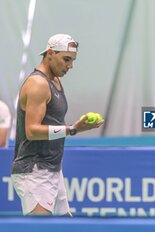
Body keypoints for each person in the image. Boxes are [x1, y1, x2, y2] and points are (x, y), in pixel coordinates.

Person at [10, 34, 102, 216]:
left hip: (52, 169)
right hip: (34, 171)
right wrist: (73, 129)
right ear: (50, 53)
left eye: (73, 60)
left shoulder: (55, 81)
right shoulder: (38, 83)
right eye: (66, 59)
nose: (70, 66)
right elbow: (32, 131)